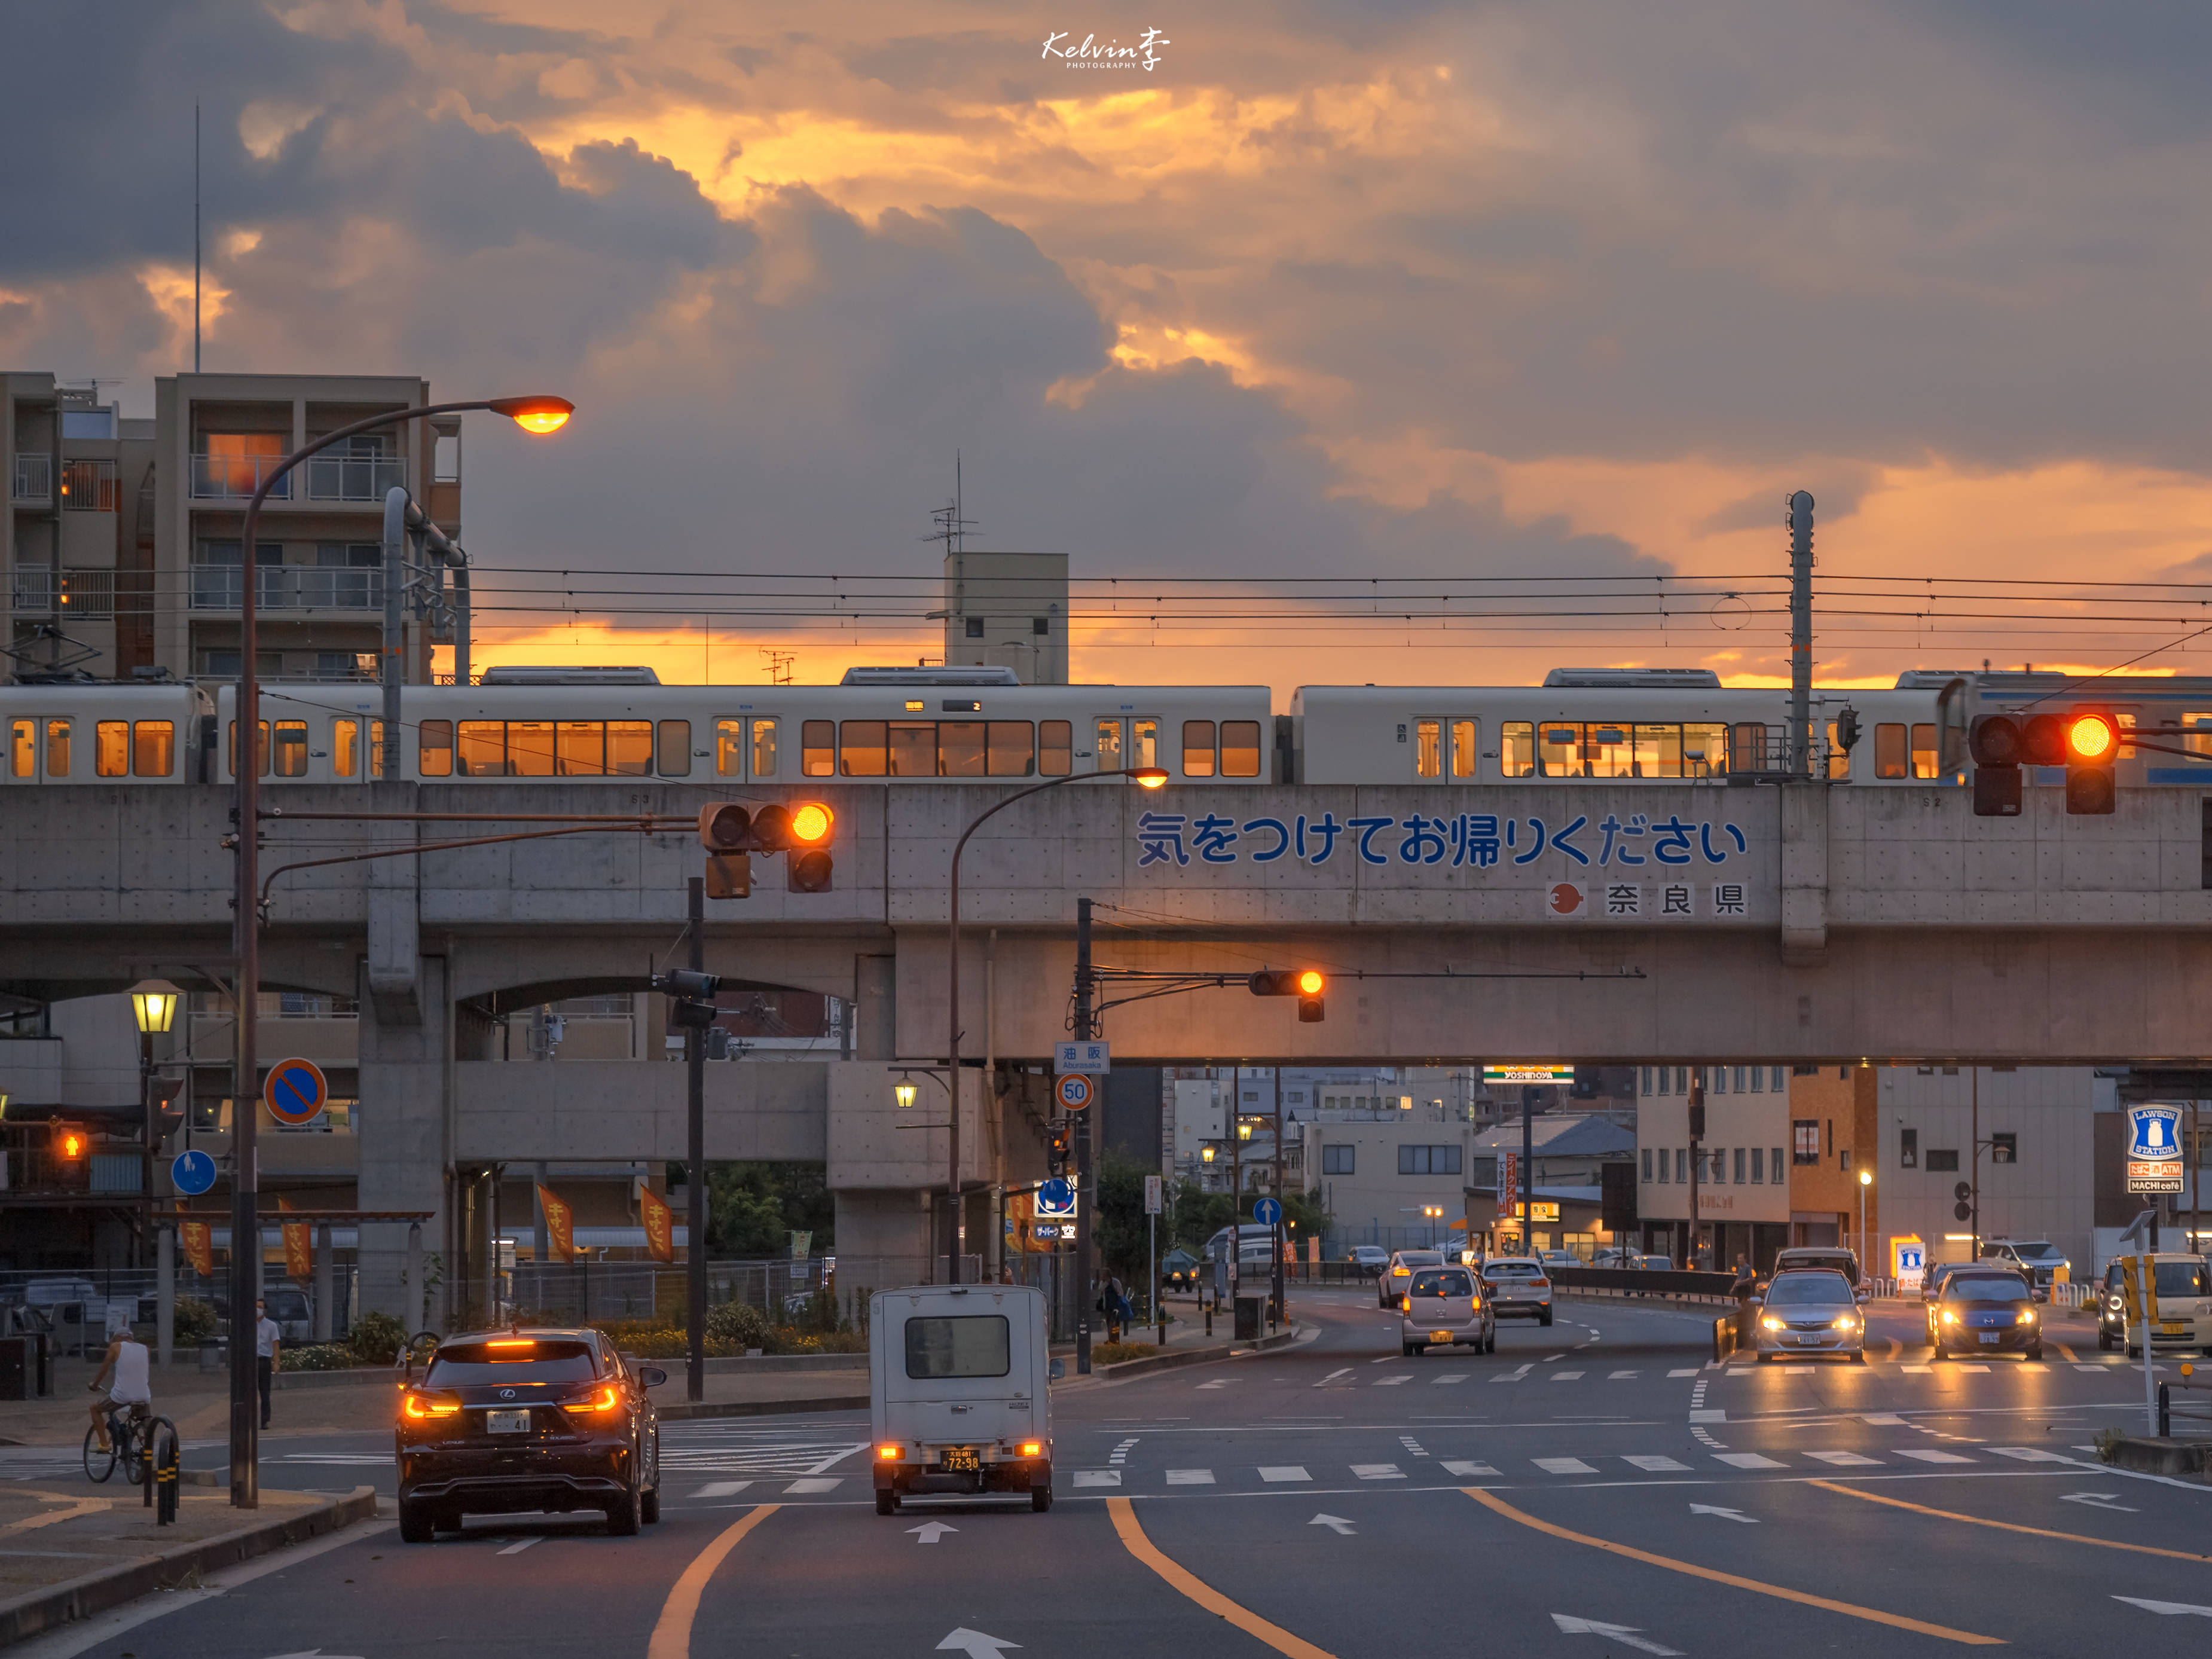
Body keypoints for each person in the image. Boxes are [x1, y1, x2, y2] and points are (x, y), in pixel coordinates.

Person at [87, 1323, 152, 1452]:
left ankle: (104, 1445)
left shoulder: (116, 1347)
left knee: (95, 1409)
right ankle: (149, 1455)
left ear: (117, 1338)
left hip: (122, 1395)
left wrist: (94, 1385)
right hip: (144, 1395)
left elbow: (104, 1370)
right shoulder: (146, 1349)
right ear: (131, 1337)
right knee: (145, 1421)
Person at [255, 1298, 282, 1429]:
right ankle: (249, 1419)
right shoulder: (248, 1325)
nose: (258, 1310)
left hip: (264, 1361)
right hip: (250, 1362)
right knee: (248, 1392)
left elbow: (276, 1344)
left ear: (265, 1310)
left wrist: (276, 1362)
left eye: (260, 1307)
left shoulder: (272, 1326)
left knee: (265, 1392)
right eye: (256, 1307)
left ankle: (264, 1420)